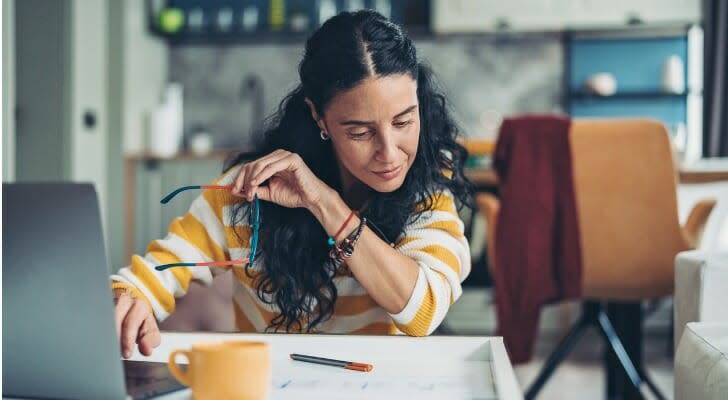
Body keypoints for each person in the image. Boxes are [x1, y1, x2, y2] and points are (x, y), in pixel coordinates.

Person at [111, 10, 474, 359]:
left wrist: (324, 203)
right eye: (360, 132)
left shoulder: (428, 187)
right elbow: (160, 269)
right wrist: (132, 298)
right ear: (319, 116)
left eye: (403, 122)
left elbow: (423, 311)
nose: (390, 153)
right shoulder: (253, 189)